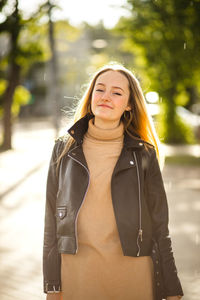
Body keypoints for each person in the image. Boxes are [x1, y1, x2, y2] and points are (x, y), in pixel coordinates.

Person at [43, 64, 184, 300]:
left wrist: (172, 289)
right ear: (90, 97)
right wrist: (52, 285)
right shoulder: (63, 149)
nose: (106, 97)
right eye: (100, 90)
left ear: (129, 104)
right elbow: (51, 222)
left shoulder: (143, 154)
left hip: (132, 276)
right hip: (77, 274)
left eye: (117, 93)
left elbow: (161, 228)